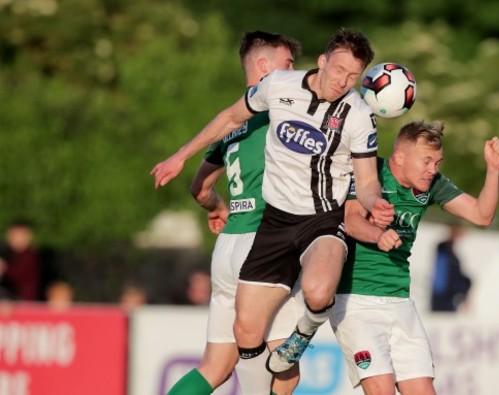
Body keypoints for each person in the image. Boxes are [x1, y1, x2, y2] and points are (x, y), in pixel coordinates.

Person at [151, 27, 394, 377]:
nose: (343, 81)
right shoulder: (279, 86)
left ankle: (306, 330)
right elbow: (231, 118)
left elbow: (368, 181)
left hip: (323, 219)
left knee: (318, 291)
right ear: (322, 61)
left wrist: (375, 203)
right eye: (339, 70)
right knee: (245, 330)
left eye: (353, 77)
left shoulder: (357, 114)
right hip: (275, 223)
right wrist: (180, 155)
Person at [165, 31, 303, 395]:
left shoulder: (232, 125)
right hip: (264, 247)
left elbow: (200, 189)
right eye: (288, 64)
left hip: (227, 250)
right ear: (264, 66)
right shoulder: (280, 112)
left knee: (215, 368)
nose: (294, 72)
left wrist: (218, 207)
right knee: (285, 371)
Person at [331, 121, 499, 394]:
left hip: (400, 301)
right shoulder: (370, 172)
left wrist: (494, 170)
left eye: (438, 162)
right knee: (382, 389)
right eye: (426, 161)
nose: (432, 169)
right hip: (357, 301)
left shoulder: (432, 184)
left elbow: (481, 215)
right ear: (399, 157)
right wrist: (378, 235)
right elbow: (352, 221)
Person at [430, 222, 471, 312]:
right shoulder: (443, 248)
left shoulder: (452, 254)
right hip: (442, 294)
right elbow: (444, 275)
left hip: (448, 294)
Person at [0, 219, 42, 301]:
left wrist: (3, 267)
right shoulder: (9, 253)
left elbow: (16, 275)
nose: (14, 238)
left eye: (18, 235)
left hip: (24, 303)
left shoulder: (30, 256)